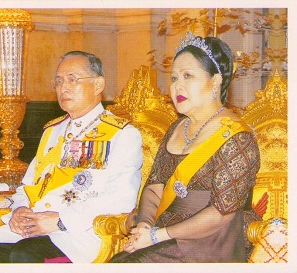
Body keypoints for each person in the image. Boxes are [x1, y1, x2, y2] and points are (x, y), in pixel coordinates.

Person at [0, 51, 143, 263]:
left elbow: (121, 197)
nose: (63, 87)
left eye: (72, 79)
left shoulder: (122, 134)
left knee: (25, 255)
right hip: (32, 230)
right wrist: (19, 210)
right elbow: (28, 186)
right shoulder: (52, 132)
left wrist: (59, 221)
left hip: (77, 235)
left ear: (98, 85)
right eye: (58, 81)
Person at [110, 31, 261, 263]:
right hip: (163, 233)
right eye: (173, 78)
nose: (177, 86)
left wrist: (156, 235)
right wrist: (144, 226)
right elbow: (155, 186)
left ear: (216, 80)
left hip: (211, 241)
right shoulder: (175, 128)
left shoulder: (237, 138)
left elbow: (220, 215)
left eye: (188, 76)